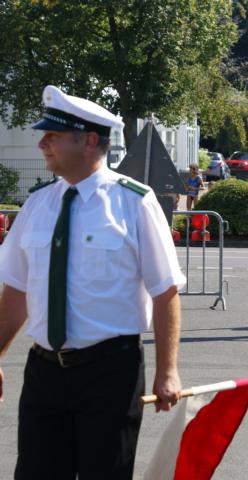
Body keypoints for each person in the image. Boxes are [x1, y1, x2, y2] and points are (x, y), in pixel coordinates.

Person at [0, 85, 186, 479]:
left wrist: (167, 370)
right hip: (44, 372)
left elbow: (165, 290)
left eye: (52, 135)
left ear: (88, 141)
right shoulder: (37, 205)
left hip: (110, 373)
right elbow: (16, 290)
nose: (42, 144)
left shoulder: (134, 202)